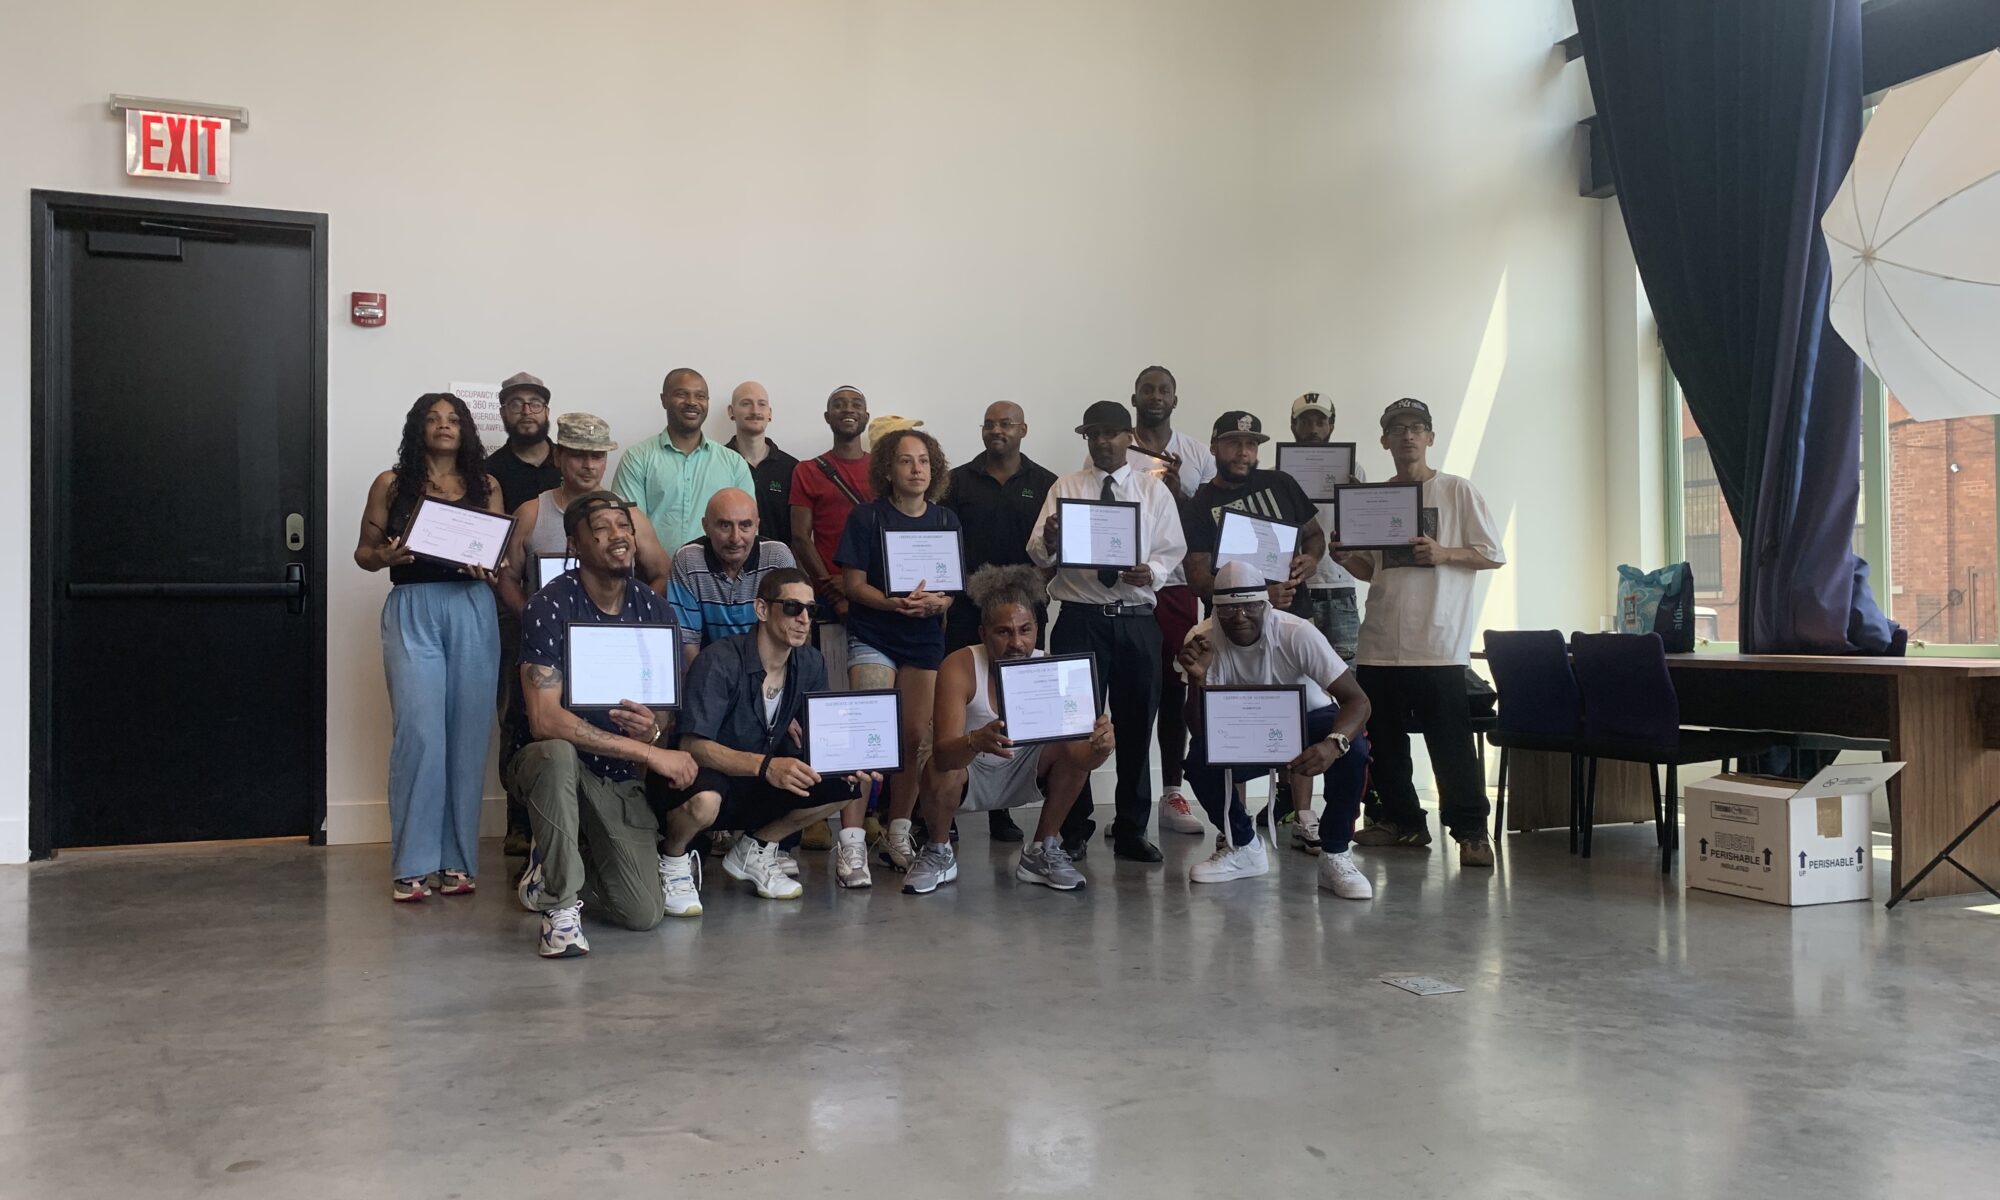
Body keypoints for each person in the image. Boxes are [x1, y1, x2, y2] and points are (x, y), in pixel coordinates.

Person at [511, 492, 698, 956]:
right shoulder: (549, 605)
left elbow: (664, 712)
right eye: (603, 528)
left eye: (624, 526)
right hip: (548, 766)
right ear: (576, 544)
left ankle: (554, 865)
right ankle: (560, 908)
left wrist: (651, 729)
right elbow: (543, 718)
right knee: (556, 753)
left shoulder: (655, 611)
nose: (619, 536)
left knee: (642, 914)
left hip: (614, 778)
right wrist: (651, 752)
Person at [1333, 398, 1505, 867]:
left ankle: (1471, 832)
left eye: (1417, 428)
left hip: (1438, 641)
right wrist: (1348, 558)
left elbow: (1492, 553)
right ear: (1384, 440)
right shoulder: (1373, 498)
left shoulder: (1456, 491)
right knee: (1385, 743)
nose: (1407, 436)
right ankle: (1404, 822)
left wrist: (1444, 553)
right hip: (1382, 640)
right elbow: (1376, 570)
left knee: (1449, 744)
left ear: (1430, 437)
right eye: (1397, 429)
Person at [353, 392, 505, 903]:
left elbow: (496, 552)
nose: (444, 426)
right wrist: (386, 554)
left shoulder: (487, 485)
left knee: (466, 737)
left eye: (453, 419)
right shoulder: (391, 484)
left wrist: (490, 566)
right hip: (412, 607)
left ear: (466, 430)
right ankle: (412, 864)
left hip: (472, 607)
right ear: (418, 428)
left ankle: (457, 861)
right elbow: (363, 554)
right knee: (420, 733)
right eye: (433, 419)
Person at [649, 568, 882, 901]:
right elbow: (693, 746)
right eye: (792, 608)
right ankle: (672, 859)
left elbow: (823, 735)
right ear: (761, 610)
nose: (804, 618)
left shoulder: (811, 663)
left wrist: (851, 760)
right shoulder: (718, 660)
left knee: (849, 784)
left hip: (756, 783)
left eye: (811, 610)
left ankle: (754, 849)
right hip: (700, 782)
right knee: (705, 800)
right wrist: (766, 766)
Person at [1026, 399, 1188, 863]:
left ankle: (1132, 828)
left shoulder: (1152, 491)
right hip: (1080, 619)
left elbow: (1172, 549)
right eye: (1092, 434)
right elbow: (1039, 553)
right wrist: (1053, 541)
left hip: (1136, 621)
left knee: (1138, 727)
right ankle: (1072, 829)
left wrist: (1151, 572)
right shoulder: (1067, 486)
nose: (1101, 441)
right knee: (1076, 728)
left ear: (1127, 439)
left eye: (1110, 433)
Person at [907, 565, 1113, 895]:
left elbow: (1079, 759)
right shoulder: (960, 666)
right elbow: (944, 755)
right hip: (964, 772)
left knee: (1073, 752)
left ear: (1036, 631)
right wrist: (976, 741)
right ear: (983, 634)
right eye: (1003, 632)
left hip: (1021, 771)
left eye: (1025, 630)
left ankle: (1041, 850)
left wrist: (1101, 747)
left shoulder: (1052, 668)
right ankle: (938, 850)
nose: (1017, 642)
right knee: (942, 766)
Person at [1175, 562, 1375, 896]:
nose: (1239, 616)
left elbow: (1358, 702)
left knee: (1352, 750)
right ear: (1216, 610)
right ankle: (1244, 846)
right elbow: (1199, 731)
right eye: (1228, 608)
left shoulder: (1296, 633)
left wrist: (1332, 744)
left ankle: (1335, 854)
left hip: (1307, 719)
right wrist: (1197, 681)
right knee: (1198, 761)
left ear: (1265, 604)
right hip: (1243, 724)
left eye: (1249, 606)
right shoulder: (1202, 638)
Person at [1179, 410, 1327, 849]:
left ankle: (1301, 816)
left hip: (1288, 625)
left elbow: (1314, 536)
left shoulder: (1281, 484)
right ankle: (1234, 827)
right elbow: (1197, 577)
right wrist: (1257, 593)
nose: (1243, 452)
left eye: (1250, 444)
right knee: (1234, 723)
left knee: (1296, 716)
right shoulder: (1200, 503)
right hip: (1231, 631)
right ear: (1214, 448)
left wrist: (1311, 559)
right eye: (1232, 443)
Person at [837, 428, 959, 873]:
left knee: (914, 738)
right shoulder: (866, 517)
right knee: (867, 736)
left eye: (924, 460)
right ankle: (850, 841)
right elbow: (852, 586)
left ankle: (898, 832)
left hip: (924, 638)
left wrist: (938, 602)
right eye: (906, 461)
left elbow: (950, 590)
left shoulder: (946, 520)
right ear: (888, 469)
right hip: (873, 633)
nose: (916, 469)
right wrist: (893, 603)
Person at [941, 400, 1058, 844]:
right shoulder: (958, 481)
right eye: (989, 424)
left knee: (1018, 705)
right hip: (969, 609)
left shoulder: (1045, 482)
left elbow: (1054, 547)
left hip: (1024, 613)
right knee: (962, 703)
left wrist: (1038, 586)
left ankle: (1002, 809)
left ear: (1023, 429)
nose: (996, 430)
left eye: (1005, 424)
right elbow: (943, 541)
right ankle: (946, 806)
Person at [1270, 392, 1367, 842]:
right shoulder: (1275, 475)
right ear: (1293, 427)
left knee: (1339, 694)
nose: (1313, 429)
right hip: (1294, 595)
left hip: (1341, 590)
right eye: (1304, 422)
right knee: (1290, 695)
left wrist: (1351, 490)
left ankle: (1337, 808)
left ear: (1331, 426)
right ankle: (1294, 806)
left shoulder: (1354, 471)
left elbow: (1366, 529)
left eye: (1320, 422)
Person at [1126, 366, 1216, 846]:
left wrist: (1180, 492)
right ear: (1135, 396)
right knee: (1133, 693)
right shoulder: (1116, 450)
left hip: (1178, 585)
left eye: (1164, 390)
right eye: (1147, 389)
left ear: (1175, 399)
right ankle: (1131, 797)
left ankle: (1172, 791)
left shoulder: (1196, 451)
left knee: (1175, 692)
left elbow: (1209, 522)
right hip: (1128, 590)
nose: (1155, 396)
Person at [485, 371, 562, 857]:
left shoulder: (569, 464)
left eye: (535, 403)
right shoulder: (489, 471)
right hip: (513, 610)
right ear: (503, 413)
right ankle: (518, 820)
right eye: (516, 404)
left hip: (576, 614)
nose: (527, 411)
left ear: (548, 411)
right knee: (517, 711)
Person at [497, 412, 672, 615]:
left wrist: (632, 614)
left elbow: (663, 574)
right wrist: (533, 618)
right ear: (558, 457)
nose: (589, 465)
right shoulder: (531, 513)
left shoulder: (630, 517)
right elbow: (507, 578)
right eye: (578, 455)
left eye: (597, 456)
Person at [611, 367, 754, 554]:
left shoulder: (734, 464)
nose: (692, 402)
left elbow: (747, 530)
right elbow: (627, 527)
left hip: (717, 579)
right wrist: (661, 575)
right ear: (664, 400)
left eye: (700, 396)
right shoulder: (637, 459)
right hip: (652, 578)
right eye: (682, 394)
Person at [667, 487, 799, 666]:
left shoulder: (777, 557)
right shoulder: (688, 560)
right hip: (710, 670)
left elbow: (790, 631)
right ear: (706, 526)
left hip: (768, 669)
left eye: (745, 525)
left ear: (757, 526)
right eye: (725, 525)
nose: (735, 538)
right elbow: (688, 644)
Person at [789, 386, 872, 621]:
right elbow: (801, 537)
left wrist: (859, 584)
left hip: (876, 590)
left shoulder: (884, 470)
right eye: (839, 404)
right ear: (827, 417)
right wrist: (835, 594)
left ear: (866, 416)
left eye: (856, 404)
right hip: (828, 594)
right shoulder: (807, 470)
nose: (848, 409)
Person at [724, 380, 798, 551]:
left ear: (770, 413)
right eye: (746, 403)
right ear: (731, 411)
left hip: (780, 568)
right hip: (727, 566)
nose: (755, 411)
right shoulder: (715, 463)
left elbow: (799, 534)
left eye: (761, 404)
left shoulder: (792, 468)